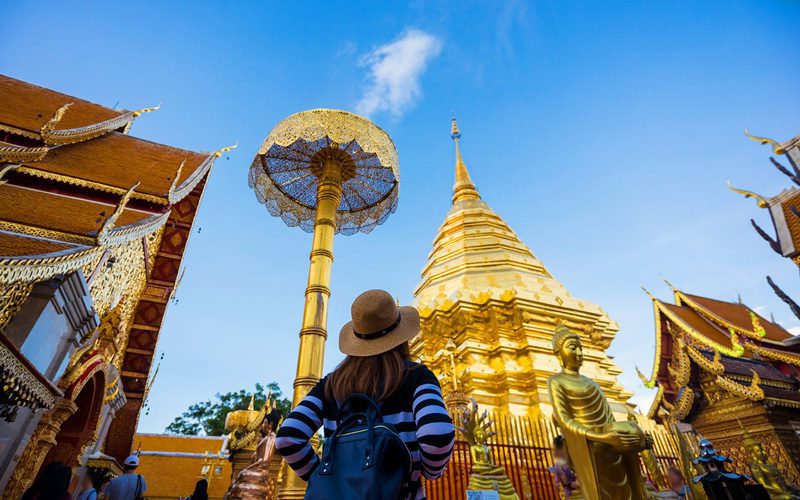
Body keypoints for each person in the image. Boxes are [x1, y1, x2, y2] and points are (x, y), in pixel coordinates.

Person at [275, 289, 456, 500]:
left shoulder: (331, 384)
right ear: (401, 337)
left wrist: (326, 478)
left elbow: (288, 437)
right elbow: (437, 435)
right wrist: (429, 472)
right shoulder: (417, 377)